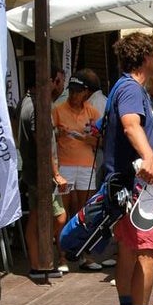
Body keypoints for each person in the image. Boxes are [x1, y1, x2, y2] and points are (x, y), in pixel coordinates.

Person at [103, 32, 153, 305]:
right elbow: (131, 124)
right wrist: (150, 157)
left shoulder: (119, 87)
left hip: (125, 185)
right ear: (144, 57)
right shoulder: (131, 88)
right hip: (141, 186)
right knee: (147, 251)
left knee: (128, 250)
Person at [17, 67, 68, 281]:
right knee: (56, 217)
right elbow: (43, 144)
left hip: (35, 173)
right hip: (42, 174)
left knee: (39, 217)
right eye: (58, 81)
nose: (60, 86)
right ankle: (38, 263)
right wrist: (56, 174)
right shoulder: (37, 106)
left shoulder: (27, 102)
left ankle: (39, 264)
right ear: (47, 81)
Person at [52, 71, 102, 270]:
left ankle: (85, 254)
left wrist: (85, 138)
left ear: (86, 93)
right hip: (65, 165)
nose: (74, 96)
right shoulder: (57, 109)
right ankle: (62, 257)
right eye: (71, 91)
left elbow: (101, 141)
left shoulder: (92, 112)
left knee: (85, 211)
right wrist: (58, 133)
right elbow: (48, 138)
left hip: (87, 165)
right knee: (64, 211)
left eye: (78, 92)